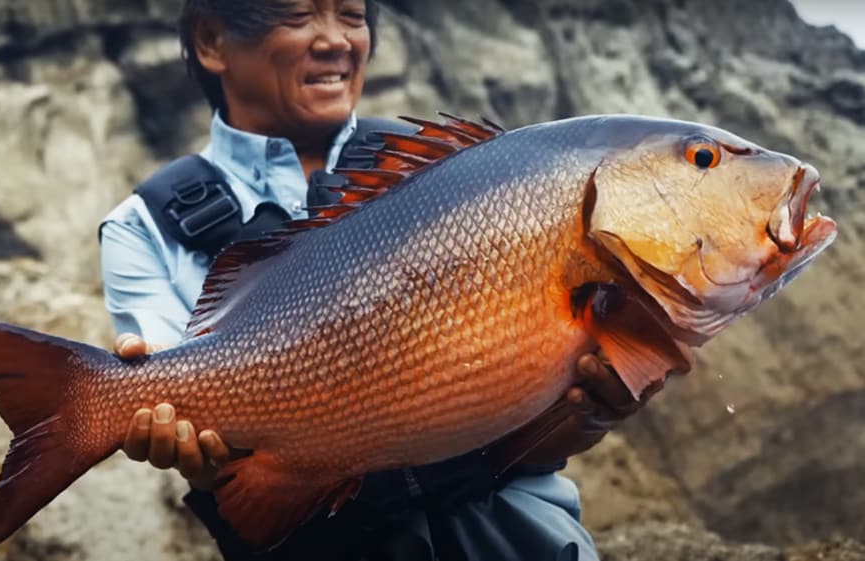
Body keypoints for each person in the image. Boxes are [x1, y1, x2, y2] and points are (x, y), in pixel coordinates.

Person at [99, 1, 665, 559]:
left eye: (352, 15)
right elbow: (189, 421)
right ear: (211, 41)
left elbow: (529, 434)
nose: (337, 40)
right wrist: (174, 432)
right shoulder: (146, 226)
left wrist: (587, 415)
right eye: (299, 16)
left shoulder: (455, 168)